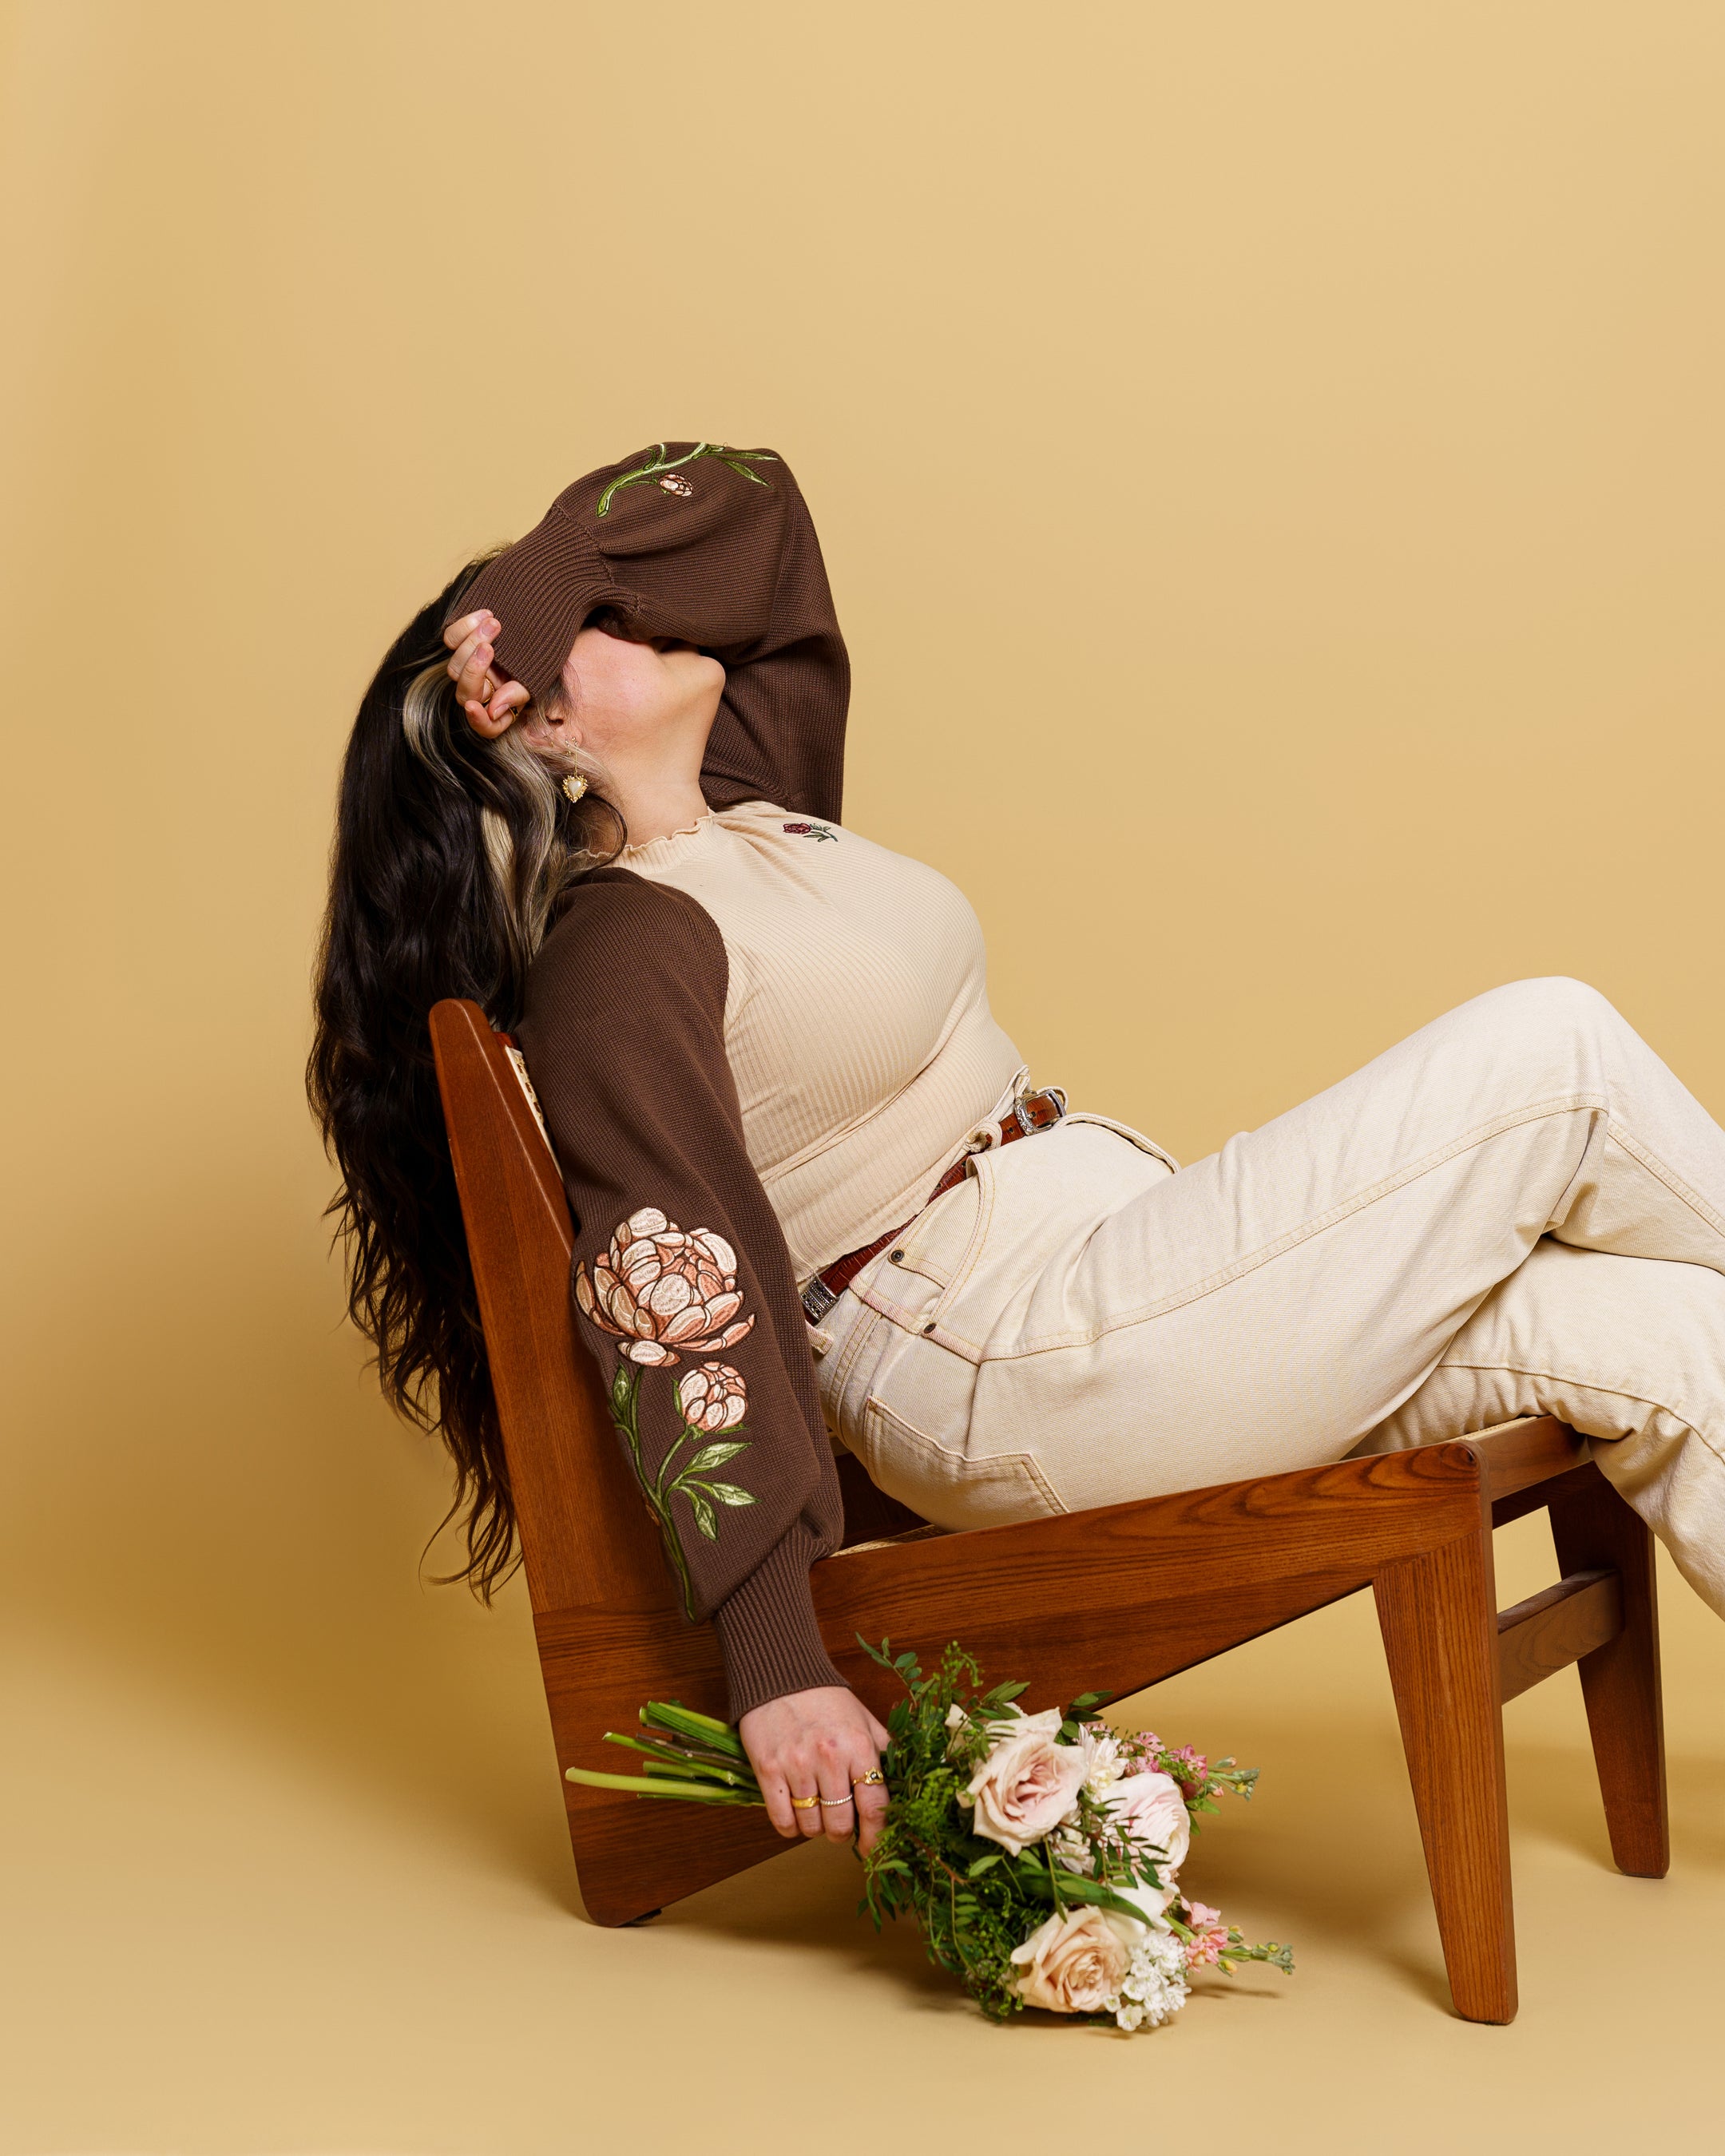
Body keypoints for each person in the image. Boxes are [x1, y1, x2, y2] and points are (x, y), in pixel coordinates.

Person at [311, 438, 1725, 1864]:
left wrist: (548, 578)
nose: (635, 614)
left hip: (1120, 1272)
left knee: (1676, 1337)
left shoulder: (750, 806)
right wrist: (775, 1655)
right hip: (1023, 1365)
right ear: (538, 731)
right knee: (1556, 1053)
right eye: (595, 632)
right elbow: (671, 1272)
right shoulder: (621, 953)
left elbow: (755, 506)